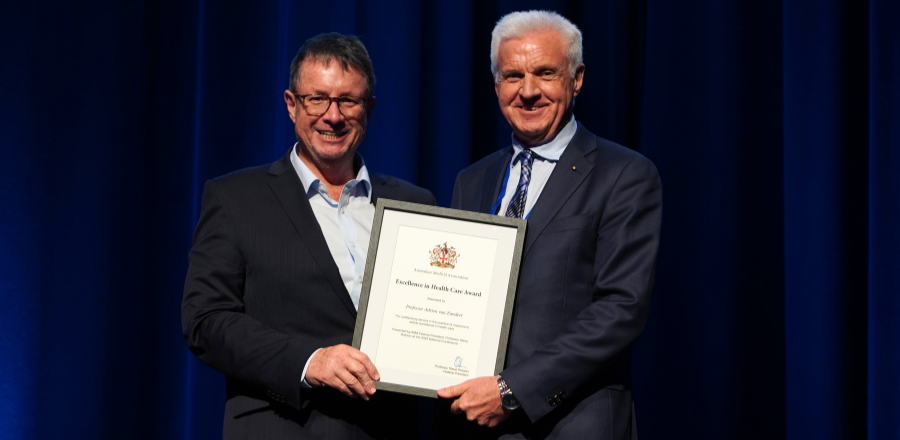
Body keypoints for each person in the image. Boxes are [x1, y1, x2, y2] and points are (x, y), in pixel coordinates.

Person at [182, 33, 434, 439]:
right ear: (291, 105)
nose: (332, 116)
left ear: (368, 109)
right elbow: (205, 321)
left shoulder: (415, 204)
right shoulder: (235, 198)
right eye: (317, 99)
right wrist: (309, 361)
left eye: (348, 101)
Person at [435, 11, 662, 439]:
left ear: (576, 79)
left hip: (573, 424)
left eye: (545, 73)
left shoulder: (624, 174)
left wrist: (510, 390)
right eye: (512, 75)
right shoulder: (473, 180)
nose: (528, 91)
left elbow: (621, 309)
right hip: (476, 426)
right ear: (496, 85)